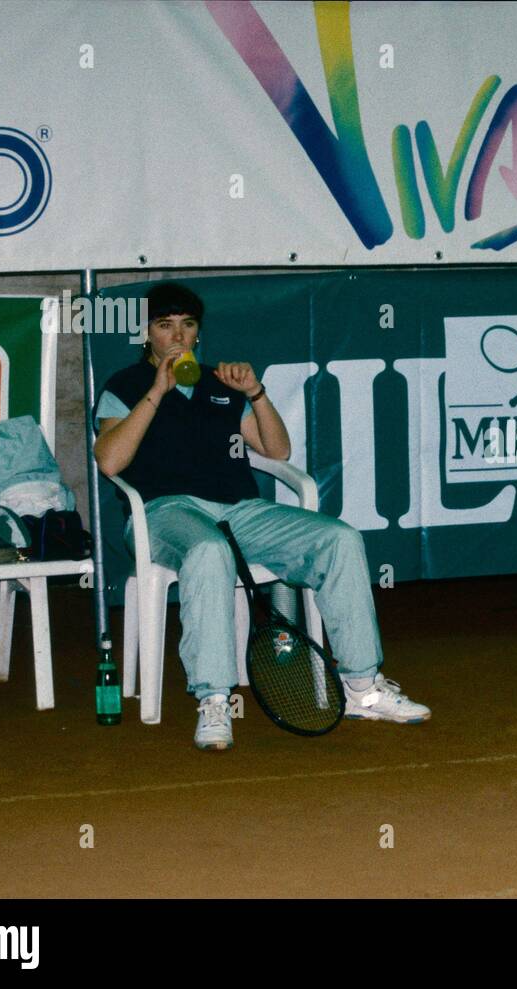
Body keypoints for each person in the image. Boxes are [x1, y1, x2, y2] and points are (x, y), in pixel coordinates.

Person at [94, 283, 430, 750]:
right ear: (146, 334)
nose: (178, 336)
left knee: (340, 539)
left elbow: (278, 450)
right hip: (164, 512)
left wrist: (255, 393)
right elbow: (110, 461)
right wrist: (156, 392)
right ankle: (214, 699)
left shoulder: (219, 383)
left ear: (198, 332)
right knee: (208, 550)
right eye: (165, 326)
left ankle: (362, 687)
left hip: (240, 511)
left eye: (187, 325)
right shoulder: (124, 385)